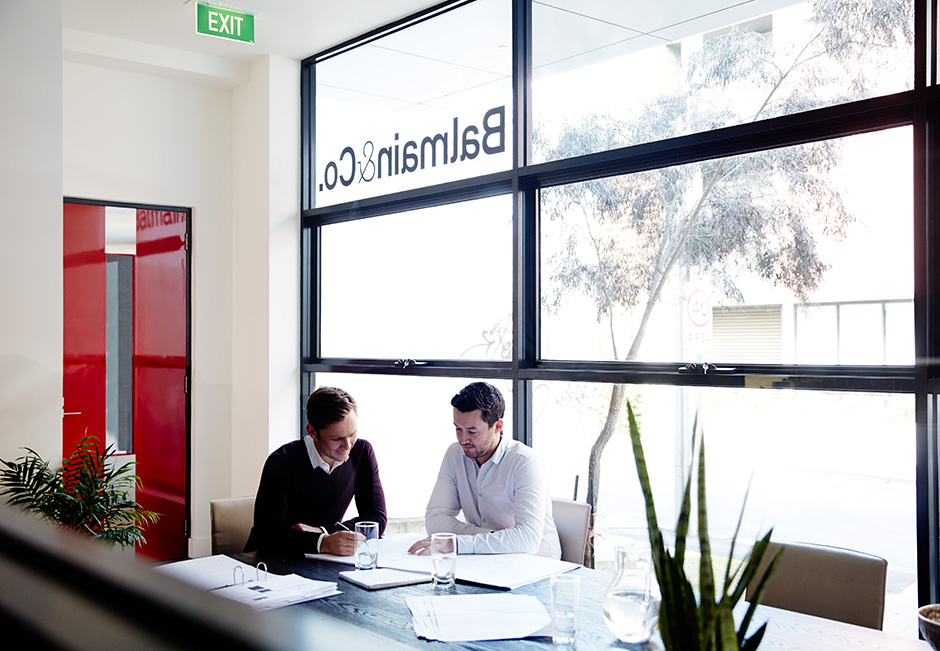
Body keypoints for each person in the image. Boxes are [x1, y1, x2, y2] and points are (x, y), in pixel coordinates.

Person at [408, 382, 561, 558]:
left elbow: (527, 540)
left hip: (537, 564)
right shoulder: (454, 454)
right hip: (486, 559)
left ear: (497, 426)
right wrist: (489, 538)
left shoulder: (525, 463)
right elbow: (435, 519)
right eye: (458, 429)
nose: (463, 439)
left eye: (472, 431)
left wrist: (457, 543)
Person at [244, 386, 387, 555]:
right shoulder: (281, 462)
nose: (347, 445)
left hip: (322, 559)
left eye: (352, 434)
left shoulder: (361, 452)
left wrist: (322, 532)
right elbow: (267, 534)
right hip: (269, 559)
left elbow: (376, 521)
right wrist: (323, 543)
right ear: (312, 431)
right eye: (337, 438)